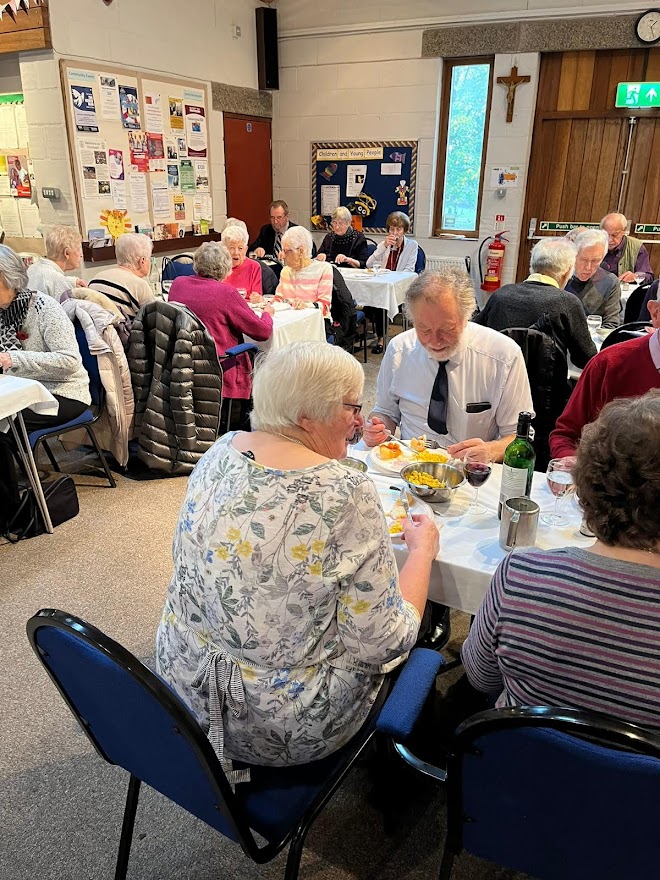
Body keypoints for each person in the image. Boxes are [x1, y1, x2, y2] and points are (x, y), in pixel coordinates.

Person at [156, 341, 439, 768]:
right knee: (422, 625)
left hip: (181, 685)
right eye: (351, 407)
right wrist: (422, 553)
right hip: (275, 724)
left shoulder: (222, 448)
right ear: (305, 415)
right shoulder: (346, 492)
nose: (359, 420)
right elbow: (381, 643)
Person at [462, 391, 660, 729]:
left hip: (514, 766)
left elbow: (480, 678)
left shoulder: (520, 575)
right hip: (633, 782)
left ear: (586, 484)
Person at [365, 268, 533, 464]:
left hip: (470, 470)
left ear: (466, 317)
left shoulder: (503, 356)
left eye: (446, 329)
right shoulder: (399, 350)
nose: (435, 341)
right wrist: (377, 428)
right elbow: (386, 411)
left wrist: (490, 450)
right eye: (424, 329)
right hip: (408, 466)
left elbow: (518, 435)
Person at [549, 286, 660, 458]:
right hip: (612, 482)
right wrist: (573, 468)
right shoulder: (609, 364)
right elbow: (566, 436)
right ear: (656, 313)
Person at [0, 244, 90, 432]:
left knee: (5, 425)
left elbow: (70, 360)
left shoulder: (43, 307)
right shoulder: (2, 310)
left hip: (63, 391)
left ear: (10, 278)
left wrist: (13, 358)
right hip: (22, 387)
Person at [168, 241, 273, 401]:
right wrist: (267, 314)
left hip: (183, 362)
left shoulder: (178, 284)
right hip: (219, 365)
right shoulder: (226, 292)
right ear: (226, 267)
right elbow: (262, 332)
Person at [473, 237, 597, 370]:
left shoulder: (500, 295)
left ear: (532, 265)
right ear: (567, 272)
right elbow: (586, 359)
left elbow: (474, 335)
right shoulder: (568, 303)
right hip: (547, 389)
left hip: (498, 383)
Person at [365, 211, 419, 354]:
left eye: (398, 229)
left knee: (379, 304)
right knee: (371, 302)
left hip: (400, 287)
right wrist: (383, 246)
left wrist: (392, 276)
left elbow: (409, 270)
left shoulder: (412, 245)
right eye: (392, 229)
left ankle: (381, 340)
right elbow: (369, 264)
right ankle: (379, 334)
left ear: (404, 230)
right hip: (383, 286)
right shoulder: (385, 244)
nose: (395, 232)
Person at [564, 229, 622, 328]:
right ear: (573, 255)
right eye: (583, 259)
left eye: (595, 261)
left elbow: (611, 324)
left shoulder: (610, 282)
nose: (588, 267)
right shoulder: (559, 276)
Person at [90, 232, 156, 318]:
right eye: (149, 258)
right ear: (142, 261)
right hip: (125, 330)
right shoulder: (140, 285)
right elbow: (154, 322)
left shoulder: (96, 278)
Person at [275, 226, 332, 318]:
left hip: (314, 322)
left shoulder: (323, 269)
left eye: (287, 251)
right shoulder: (285, 270)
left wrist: (306, 305)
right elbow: (278, 299)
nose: (283, 256)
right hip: (289, 320)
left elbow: (325, 306)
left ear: (300, 251)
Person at [26, 226, 88, 302]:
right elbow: (68, 311)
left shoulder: (33, 268)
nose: (81, 255)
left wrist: (71, 282)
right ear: (67, 253)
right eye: (78, 250)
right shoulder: (58, 280)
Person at [600, 212, 654, 283]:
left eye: (614, 235)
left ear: (624, 231)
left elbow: (648, 276)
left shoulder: (636, 246)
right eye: (606, 234)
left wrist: (635, 276)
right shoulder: (594, 244)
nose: (609, 240)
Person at [221, 224, 262, 297]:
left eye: (240, 248)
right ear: (224, 249)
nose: (236, 252)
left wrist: (257, 298)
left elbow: (257, 296)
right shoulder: (218, 266)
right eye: (232, 248)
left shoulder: (254, 267)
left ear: (246, 249)